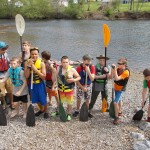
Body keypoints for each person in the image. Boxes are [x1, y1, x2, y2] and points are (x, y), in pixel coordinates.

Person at [24, 47, 49, 119]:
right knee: (35, 99)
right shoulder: (27, 62)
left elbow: (44, 77)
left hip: (40, 84)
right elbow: (26, 75)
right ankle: (41, 109)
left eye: (36, 54)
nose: (34, 56)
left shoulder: (42, 63)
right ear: (30, 54)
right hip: (32, 84)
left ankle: (46, 111)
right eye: (32, 54)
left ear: (38, 54)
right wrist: (28, 67)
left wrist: (35, 69)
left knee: (43, 98)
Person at [57, 56, 80, 121]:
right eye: (63, 62)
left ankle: (69, 114)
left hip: (69, 89)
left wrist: (73, 80)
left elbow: (79, 77)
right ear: (61, 62)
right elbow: (55, 76)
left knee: (69, 102)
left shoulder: (72, 69)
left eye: (66, 62)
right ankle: (60, 111)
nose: (65, 64)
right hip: (61, 89)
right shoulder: (59, 68)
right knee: (61, 102)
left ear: (69, 62)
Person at [111, 58, 130, 125]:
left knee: (115, 102)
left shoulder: (126, 72)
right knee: (119, 100)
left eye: (120, 64)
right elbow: (111, 76)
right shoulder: (118, 69)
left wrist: (115, 69)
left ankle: (117, 117)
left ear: (124, 64)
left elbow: (117, 78)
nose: (118, 65)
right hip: (116, 88)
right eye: (118, 63)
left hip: (121, 89)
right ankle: (120, 111)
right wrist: (112, 69)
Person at [41, 51, 59, 116]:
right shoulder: (43, 63)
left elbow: (55, 75)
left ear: (43, 57)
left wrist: (54, 85)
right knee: (48, 91)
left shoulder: (51, 65)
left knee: (55, 92)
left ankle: (58, 104)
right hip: (47, 80)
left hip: (52, 81)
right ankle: (50, 101)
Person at [0, 41, 14, 109]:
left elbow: (9, 63)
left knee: (10, 90)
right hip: (0, 77)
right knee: (2, 93)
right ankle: (4, 104)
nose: (5, 50)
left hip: (7, 75)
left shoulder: (5, 55)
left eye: (5, 48)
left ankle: (12, 103)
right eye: (3, 49)